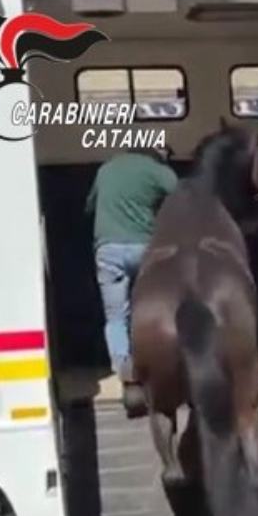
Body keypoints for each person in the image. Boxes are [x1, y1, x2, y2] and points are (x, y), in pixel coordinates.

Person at [86, 146, 178, 417]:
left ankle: (128, 378)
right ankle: (165, 361)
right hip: (145, 248)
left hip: (108, 251)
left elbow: (90, 205)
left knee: (116, 317)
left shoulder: (106, 169)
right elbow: (180, 194)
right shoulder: (156, 170)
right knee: (156, 307)